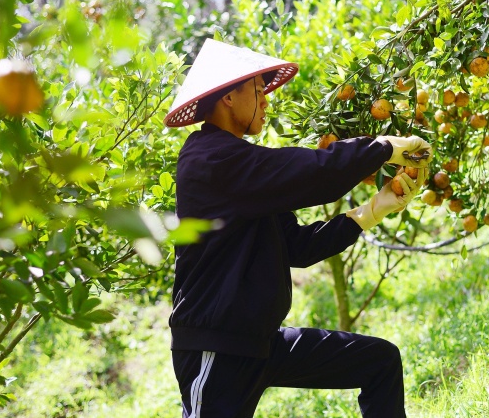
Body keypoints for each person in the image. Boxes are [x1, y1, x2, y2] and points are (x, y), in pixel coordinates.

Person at [164, 38, 432, 417]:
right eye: (259, 89)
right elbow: (312, 173)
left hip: (258, 342)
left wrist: (373, 210)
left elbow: (297, 247)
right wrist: (383, 146)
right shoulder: (209, 159)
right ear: (228, 97)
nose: (267, 100)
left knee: (379, 362)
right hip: (216, 347)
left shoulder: (241, 170)